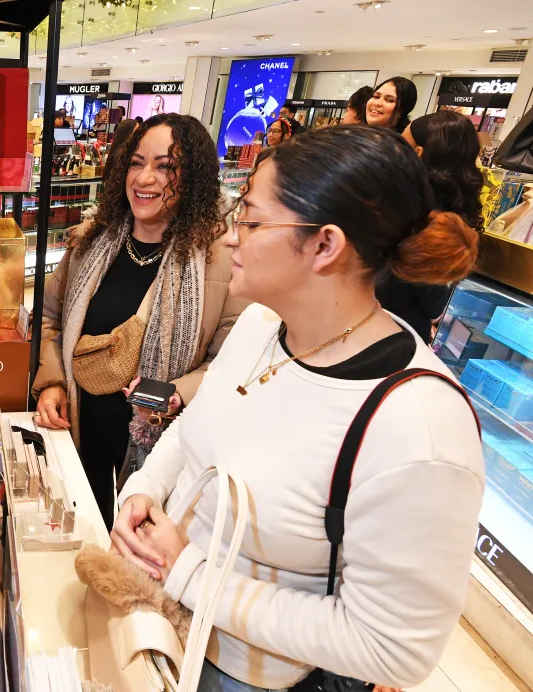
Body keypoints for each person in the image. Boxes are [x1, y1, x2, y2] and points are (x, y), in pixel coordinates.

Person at [112, 125, 482, 692]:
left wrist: (187, 571)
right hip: (164, 628)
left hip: (253, 675)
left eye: (253, 221)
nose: (232, 238)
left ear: (325, 245)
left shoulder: (418, 425)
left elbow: (389, 649)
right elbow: (199, 426)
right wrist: (145, 488)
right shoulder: (262, 323)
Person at [32, 113, 247, 529]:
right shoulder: (92, 240)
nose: (145, 178)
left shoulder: (219, 261)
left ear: (195, 178)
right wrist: (53, 382)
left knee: (133, 547)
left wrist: (176, 392)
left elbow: (230, 361)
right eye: (136, 162)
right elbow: (49, 317)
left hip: (159, 443)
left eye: (166, 167)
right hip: (79, 424)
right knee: (79, 529)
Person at [377, 110, 485, 342]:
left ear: (417, 153)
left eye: (400, 142)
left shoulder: (413, 212)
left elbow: (433, 301)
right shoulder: (453, 213)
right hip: (402, 333)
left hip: (388, 334)